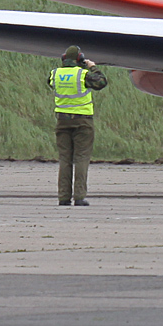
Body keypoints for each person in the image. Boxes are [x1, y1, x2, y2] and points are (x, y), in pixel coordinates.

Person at [49, 45, 107, 206]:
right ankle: (79, 196)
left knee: (65, 159)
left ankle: (63, 197)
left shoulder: (55, 74)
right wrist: (92, 67)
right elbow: (101, 82)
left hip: (62, 121)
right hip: (83, 121)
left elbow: (51, 83)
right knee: (81, 158)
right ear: (79, 59)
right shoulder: (83, 74)